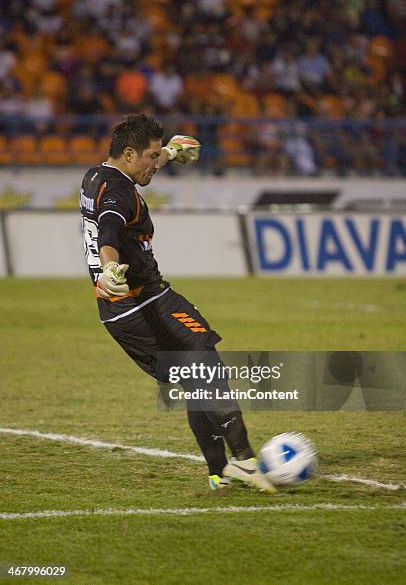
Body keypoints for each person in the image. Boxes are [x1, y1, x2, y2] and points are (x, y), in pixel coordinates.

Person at [79, 114, 275, 493]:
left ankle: (220, 472)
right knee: (206, 363)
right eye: (152, 157)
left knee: (195, 381)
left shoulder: (96, 177)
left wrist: (171, 151)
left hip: (118, 312)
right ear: (131, 154)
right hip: (143, 301)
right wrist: (109, 268)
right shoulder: (119, 194)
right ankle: (246, 461)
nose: (156, 165)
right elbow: (109, 229)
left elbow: (114, 206)